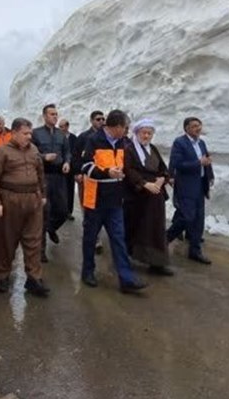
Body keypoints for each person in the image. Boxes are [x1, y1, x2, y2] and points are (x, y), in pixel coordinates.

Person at [80, 109, 146, 294]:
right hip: (96, 200)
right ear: (116, 127)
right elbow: (85, 166)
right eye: (125, 127)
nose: (127, 130)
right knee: (90, 238)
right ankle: (87, 272)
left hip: (115, 200)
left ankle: (127, 279)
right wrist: (106, 172)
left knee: (118, 239)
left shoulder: (123, 143)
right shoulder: (94, 140)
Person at [0, 118, 50, 297]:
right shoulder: (0, 152)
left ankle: (34, 278)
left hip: (33, 199)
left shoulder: (34, 150)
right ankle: (2, 275)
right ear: (13, 133)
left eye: (30, 133)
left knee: (34, 240)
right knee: (6, 240)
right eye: (25, 133)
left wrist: (43, 194)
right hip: (9, 200)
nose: (29, 137)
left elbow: (40, 173)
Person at [123, 118, 173, 276]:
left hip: (155, 198)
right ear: (137, 133)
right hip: (137, 197)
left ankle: (157, 263)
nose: (146, 136)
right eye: (143, 133)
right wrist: (144, 184)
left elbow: (163, 169)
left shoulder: (153, 149)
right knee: (135, 227)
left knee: (156, 229)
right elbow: (128, 170)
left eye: (149, 133)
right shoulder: (129, 149)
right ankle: (128, 258)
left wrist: (162, 179)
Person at [166, 117, 215, 265]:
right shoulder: (180, 142)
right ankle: (165, 238)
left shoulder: (201, 143)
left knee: (199, 218)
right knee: (187, 217)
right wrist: (198, 162)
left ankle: (195, 251)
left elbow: (206, 160)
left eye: (199, 126)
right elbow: (178, 164)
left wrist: (210, 176)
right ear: (186, 128)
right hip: (186, 185)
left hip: (200, 184)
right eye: (194, 126)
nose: (198, 129)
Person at [31, 104, 71, 262]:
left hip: (60, 177)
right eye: (52, 114)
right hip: (44, 177)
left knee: (63, 211)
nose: (55, 116)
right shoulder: (36, 133)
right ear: (44, 116)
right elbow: (31, 153)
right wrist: (43, 157)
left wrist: (67, 161)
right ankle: (41, 251)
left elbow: (67, 151)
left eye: (56, 114)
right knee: (43, 213)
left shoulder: (62, 134)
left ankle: (51, 228)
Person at [73, 110, 106, 254]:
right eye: (98, 119)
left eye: (103, 119)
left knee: (99, 208)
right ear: (91, 120)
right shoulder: (83, 137)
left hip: (101, 178)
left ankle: (95, 234)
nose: (101, 122)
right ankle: (94, 238)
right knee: (87, 207)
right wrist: (77, 172)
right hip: (86, 178)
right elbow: (76, 156)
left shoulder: (106, 136)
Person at [58, 118, 77, 221]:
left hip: (71, 169)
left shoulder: (74, 138)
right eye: (59, 126)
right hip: (59, 169)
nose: (60, 128)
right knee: (60, 191)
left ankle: (69, 212)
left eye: (62, 126)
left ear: (67, 126)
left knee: (70, 190)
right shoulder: (57, 138)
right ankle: (60, 211)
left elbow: (76, 153)